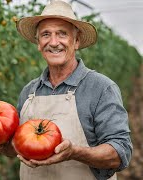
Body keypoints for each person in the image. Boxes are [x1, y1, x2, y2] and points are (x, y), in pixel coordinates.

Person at [9, 1, 132, 180]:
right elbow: (19, 144)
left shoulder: (101, 88)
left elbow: (120, 152)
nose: (53, 42)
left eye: (62, 34)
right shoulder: (29, 91)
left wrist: (75, 152)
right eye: (45, 35)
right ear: (38, 43)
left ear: (76, 41)